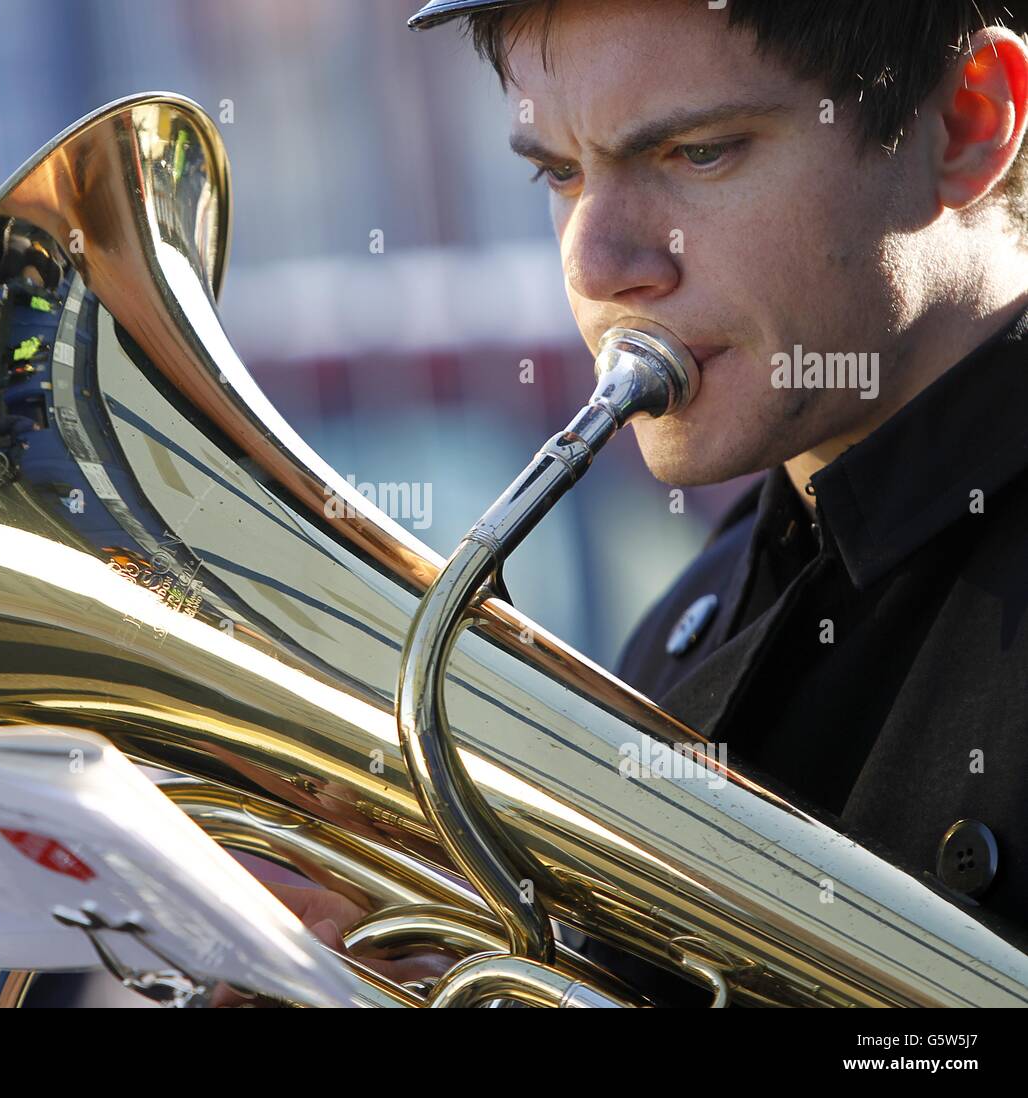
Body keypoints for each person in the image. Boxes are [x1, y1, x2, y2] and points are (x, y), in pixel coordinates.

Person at [234, 0, 1028, 1001]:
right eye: (558, 173)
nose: (596, 263)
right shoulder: (681, 639)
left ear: (968, 120)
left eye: (697, 154)